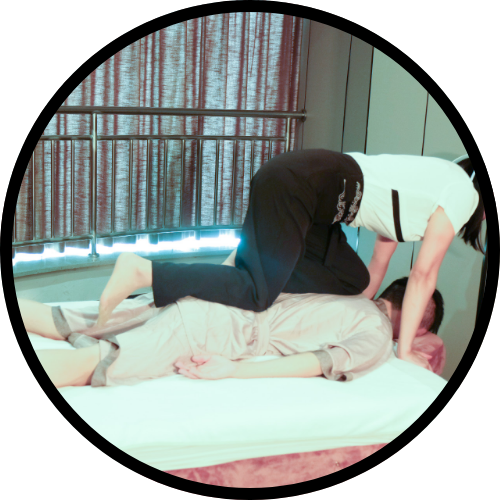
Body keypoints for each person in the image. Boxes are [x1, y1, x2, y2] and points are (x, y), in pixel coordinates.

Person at [95, 150, 483, 370]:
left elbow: (378, 264)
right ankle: (144, 270)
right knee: (257, 293)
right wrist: (405, 351)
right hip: (301, 186)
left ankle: (254, 271)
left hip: (318, 204)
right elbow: (423, 275)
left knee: (353, 279)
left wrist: (357, 315)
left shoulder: (435, 186)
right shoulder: (462, 193)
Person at [21, 278, 444, 388]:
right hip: (214, 327)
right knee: (95, 364)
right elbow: (315, 363)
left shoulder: (345, 287)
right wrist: (234, 369)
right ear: (416, 321)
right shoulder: (375, 333)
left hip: (204, 295)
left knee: (62, 319)